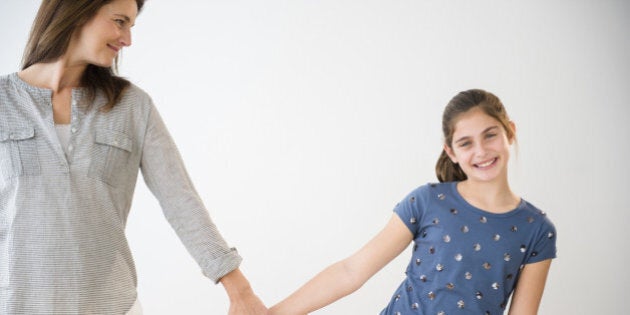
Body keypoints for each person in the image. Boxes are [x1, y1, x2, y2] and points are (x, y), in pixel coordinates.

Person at [0, 0, 266, 314]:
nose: (127, 40)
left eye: (130, 26)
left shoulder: (132, 106)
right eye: (119, 21)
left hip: (113, 306)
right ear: (77, 11)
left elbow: (180, 201)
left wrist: (241, 292)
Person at [269, 89, 557, 314]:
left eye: (490, 135)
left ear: (510, 131)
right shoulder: (428, 202)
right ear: (451, 152)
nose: (480, 151)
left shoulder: (536, 230)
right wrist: (270, 314)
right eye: (466, 142)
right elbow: (351, 271)